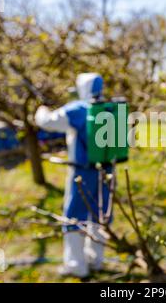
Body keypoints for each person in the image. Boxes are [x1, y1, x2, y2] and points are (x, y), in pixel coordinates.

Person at [35, 73, 112, 277]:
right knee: (100, 215)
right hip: (108, 172)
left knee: (74, 216)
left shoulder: (77, 109)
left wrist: (41, 109)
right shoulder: (110, 108)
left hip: (82, 173)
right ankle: (96, 261)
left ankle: (76, 265)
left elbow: (47, 122)